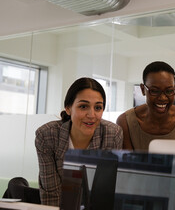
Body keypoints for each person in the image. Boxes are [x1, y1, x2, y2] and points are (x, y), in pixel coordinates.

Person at [35, 77, 123, 206]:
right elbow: (51, 193)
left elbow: (106, 192)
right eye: (83, 106)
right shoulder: (47, 135)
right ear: (68, 108)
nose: (92, 115)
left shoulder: (112, 134)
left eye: (98, 108)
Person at [117, 61, 175, 151]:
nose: (162, 98)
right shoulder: (125, 122)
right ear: (142, 89)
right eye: (155, 91)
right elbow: (128, 164)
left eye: (169, 91)